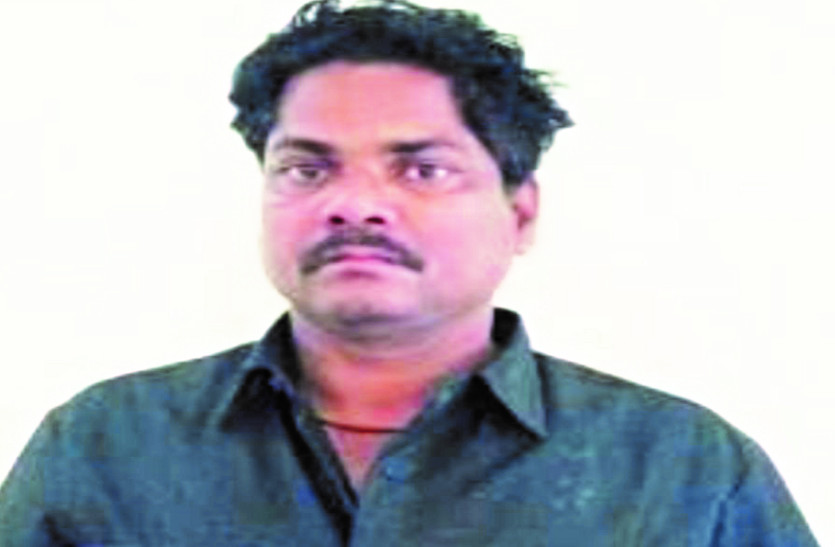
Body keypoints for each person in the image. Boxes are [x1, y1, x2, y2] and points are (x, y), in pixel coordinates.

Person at [0, 0, 818, 545]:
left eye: (421, 169)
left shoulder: (680, 467)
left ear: (519, 212)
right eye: (307, 168)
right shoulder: (107, 446)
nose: (356, 205)